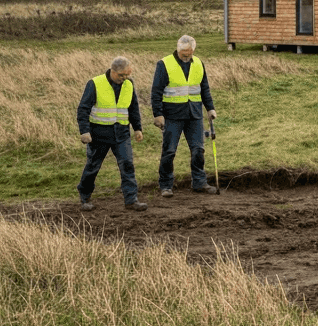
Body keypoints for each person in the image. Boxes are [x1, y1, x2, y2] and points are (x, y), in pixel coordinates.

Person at [76, 56, 148, 211]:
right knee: (93, 166)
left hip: (122, 133)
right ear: (113, 71)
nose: (125, 78)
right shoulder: (95, 83)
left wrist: (137, 128)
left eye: (127, 75)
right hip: (98, 134)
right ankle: (84, 197)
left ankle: (131, 199)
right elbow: (83, 109)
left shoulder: (129, 84)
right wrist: (85, 131)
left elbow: (133, 108)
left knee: (127, 165)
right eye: (122, 75)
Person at [151, 34, 218, 196]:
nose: (186, 56)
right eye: (183, 53)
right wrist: (158, 114)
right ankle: (166, 185)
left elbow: (204, 88)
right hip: (172, 115)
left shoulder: (199, 64)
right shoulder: (164, 64)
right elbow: (156, 91)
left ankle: (199, 182)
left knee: (198, 150)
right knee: (169, 151)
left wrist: (210, 108)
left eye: (189, 53)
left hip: (194, 114)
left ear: (193, 50)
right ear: (178, 49)